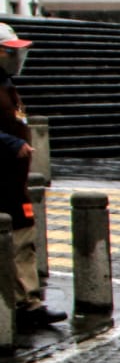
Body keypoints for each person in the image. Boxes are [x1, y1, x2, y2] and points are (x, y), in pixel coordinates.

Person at [0, 24, 66, 329]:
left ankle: (26, 302)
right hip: (4, 183)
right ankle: (25, 304)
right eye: (10, 51)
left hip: (15, 184)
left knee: (23, 242)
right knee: (17, 243)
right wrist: (11, 143)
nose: (16, 58)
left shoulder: (7, 86)